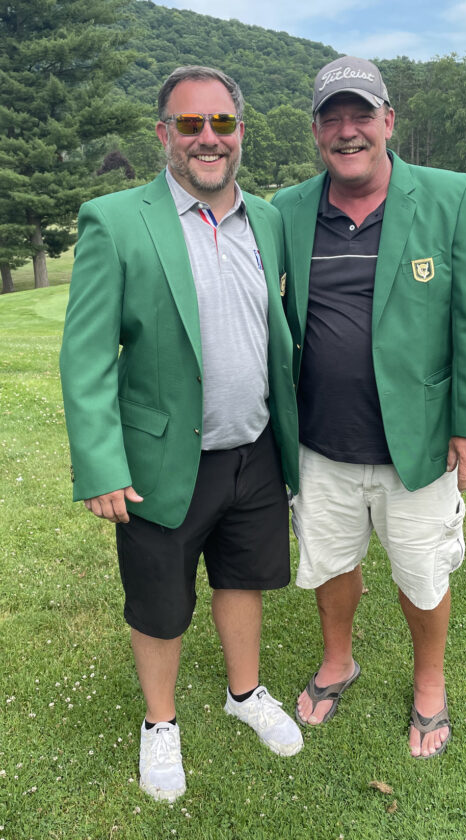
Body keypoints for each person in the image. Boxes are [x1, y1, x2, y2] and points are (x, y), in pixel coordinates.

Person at [60, 65, 303, 802]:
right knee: (160, 601)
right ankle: (160, 721)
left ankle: (244, 693)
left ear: (240, 132)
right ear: (164, 133)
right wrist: (100, 464)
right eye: (190, 124)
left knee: (243, 578)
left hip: (253, 448)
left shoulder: (267, 220)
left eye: (221, 123)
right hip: (163, 456)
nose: (207, 138)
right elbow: (86, 354)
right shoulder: (115, 220)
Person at [272, 56, 466, 758]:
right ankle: (337, 660)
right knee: (330, 563)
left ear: (388, 122)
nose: (347, 131)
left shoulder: (451, 195)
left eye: (361, 115)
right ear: (316, 130)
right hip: (320, 441)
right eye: (332, 118)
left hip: (420, 441)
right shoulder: (286, 209)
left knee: (422, 573)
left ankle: (429, 682)